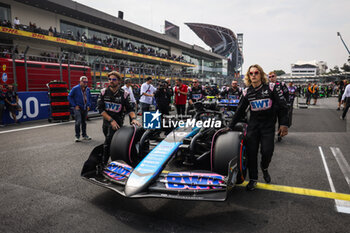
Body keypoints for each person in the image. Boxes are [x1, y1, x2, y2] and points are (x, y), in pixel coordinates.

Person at [228, 64, 289, 191]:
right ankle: (253, 179)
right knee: (251, 154)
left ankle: (265, 168)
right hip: (253, 127)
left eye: (256, 73)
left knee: (267, 152)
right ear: (248, 77)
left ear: (261, 74)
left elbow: (283, 107)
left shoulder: (272, 88)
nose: (254, 75)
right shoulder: (246, 92)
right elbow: (239, 111)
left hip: (268, 127)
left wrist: (284, 124)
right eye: (251, 73)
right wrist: (230, 127)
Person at [97, 71, 140, 165]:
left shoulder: (124, 94)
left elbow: (130, 109)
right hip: (107, 122)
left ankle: (104, 165)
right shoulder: (104, 92)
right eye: (109, 79)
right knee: (110, 142)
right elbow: (100, 110)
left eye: (114, 79)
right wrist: (111, 120)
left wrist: (133, 119)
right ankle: (114, 161)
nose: (111, 81)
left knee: (108, 143)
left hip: (118, 123)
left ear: (119, 81)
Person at [68, 76, 92, 142]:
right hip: (78, 108)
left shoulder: (88, 89)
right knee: (78, 121)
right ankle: (77, 136)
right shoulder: (75, 88)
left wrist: (88, 105)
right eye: (84, 82)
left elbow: (89, 97)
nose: (85, 83)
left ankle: (84, 135)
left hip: (85, 108)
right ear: (80, 81)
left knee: (84, 122)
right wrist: (74, 105)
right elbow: (69, 96)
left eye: (86, 82)